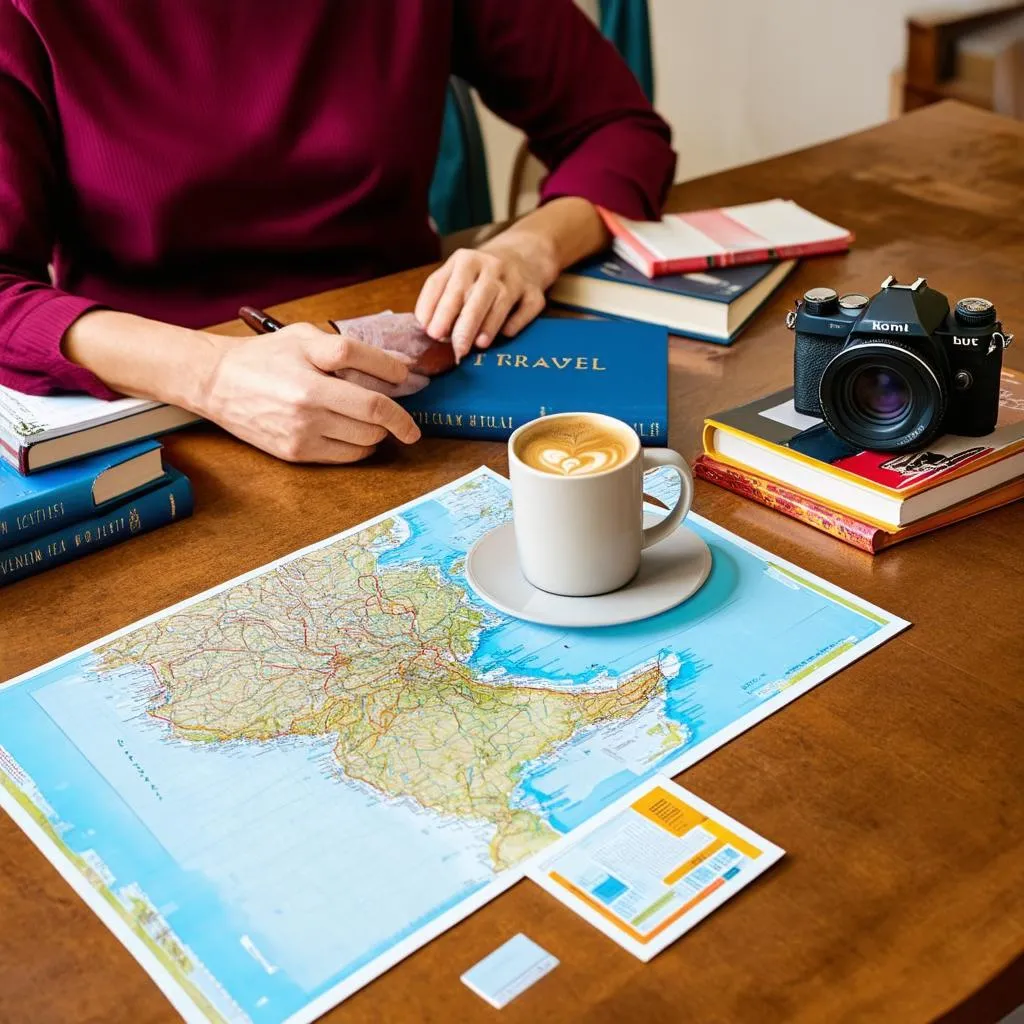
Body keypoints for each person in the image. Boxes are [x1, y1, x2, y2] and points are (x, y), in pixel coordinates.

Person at [0, 1, 676, 464]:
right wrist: (211, 377)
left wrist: (528, 248)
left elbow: (616, 129)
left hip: (415, 386)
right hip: (153, 409)